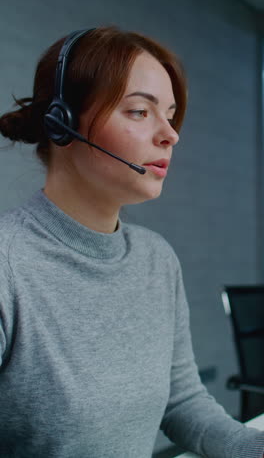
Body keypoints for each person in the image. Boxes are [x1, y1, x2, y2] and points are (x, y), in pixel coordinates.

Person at [0, 25, 263, 458]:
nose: (170, 135)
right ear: (63, 123)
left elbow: (182, 403)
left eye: (171, 114)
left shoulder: (157, 259)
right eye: (141, 111)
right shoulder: (10, 266)